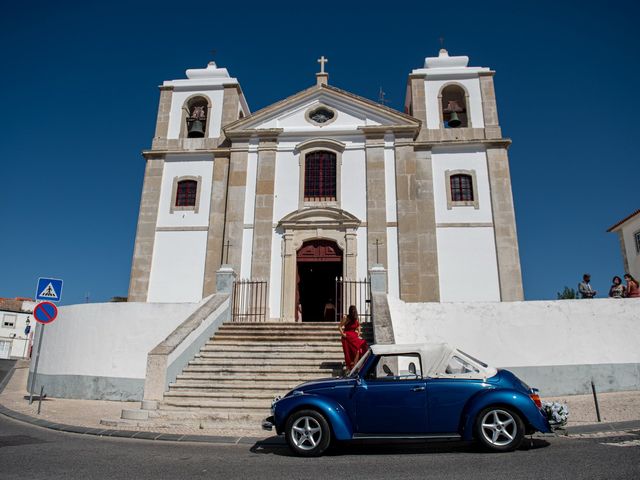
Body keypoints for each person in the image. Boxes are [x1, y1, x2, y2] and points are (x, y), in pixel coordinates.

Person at [339, 305, 369, 371]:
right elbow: (340, 327)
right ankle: (351, 367)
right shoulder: (346, 318)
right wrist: (343, 334)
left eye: (354, 310)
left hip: (353, 337)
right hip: (346, 338)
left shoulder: (355, 318)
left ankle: (354, 366)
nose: (353, 311)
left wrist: (358, 333)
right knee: (349, 353)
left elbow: (358, 327)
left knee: (361, 347)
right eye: (352, 310)